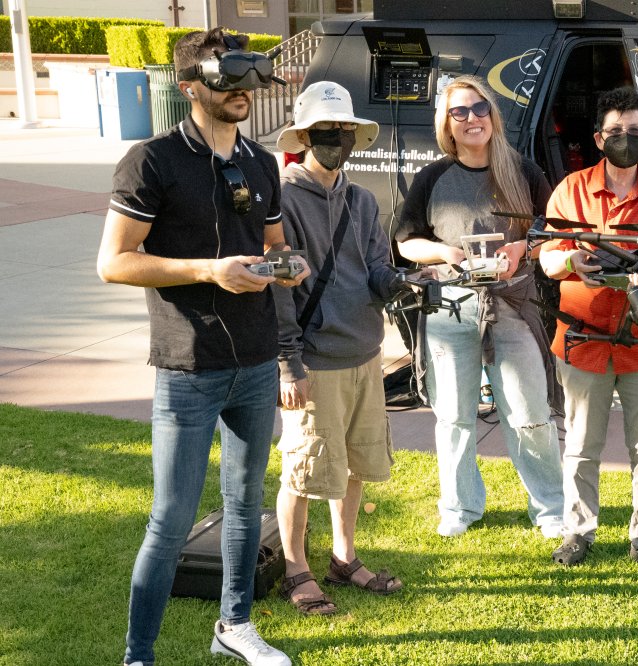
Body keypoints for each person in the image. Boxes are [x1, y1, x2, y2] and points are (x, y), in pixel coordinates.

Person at [97, 28, 307, 666]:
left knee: (244, 506)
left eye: (250, 83)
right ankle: (140, 655)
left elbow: (273, 246)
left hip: (253, 362)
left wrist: (286, 264)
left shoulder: (263, 162)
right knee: (170, 519)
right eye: (229, 83)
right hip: (188, 368)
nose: (244, 94)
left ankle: (234, 626)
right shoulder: (151, 160)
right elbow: (114, 262)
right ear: (192, 87)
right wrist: (207, 270)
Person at [396, 75, 564, 539]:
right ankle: (459, 507)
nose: (471, 119)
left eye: (479, 109)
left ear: (492, 114)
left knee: (530, 413)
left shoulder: (523, 171)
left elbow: (550, 231)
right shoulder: (433, 177)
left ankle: (551, 509)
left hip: (513, 307)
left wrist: (521, 251)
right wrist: (445, 253)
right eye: (459, 112)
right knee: (453, 416)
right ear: (446, 124)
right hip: (450, 309)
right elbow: (407, 242)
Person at [538, 87, 638, 575]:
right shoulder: (571, 190)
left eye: (635, 132)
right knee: (581, 445)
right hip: (583, 342)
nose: (626, 139)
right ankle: (577, 531)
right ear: (599, 138)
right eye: (616, 132)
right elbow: (545, 256)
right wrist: (572, 260)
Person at [271, 81, 405, 616]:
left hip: (365, 353)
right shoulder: (280, 200)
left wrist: (398, 281)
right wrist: (288, 363)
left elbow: (374, 268)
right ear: (304, 135)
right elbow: (279, 287)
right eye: (326, 130)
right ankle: (295, 568)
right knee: (304, 469)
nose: (337, 138)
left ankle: (343, 558)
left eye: (345, 130)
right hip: (312, 361)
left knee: (352, 465)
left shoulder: (363, 199)